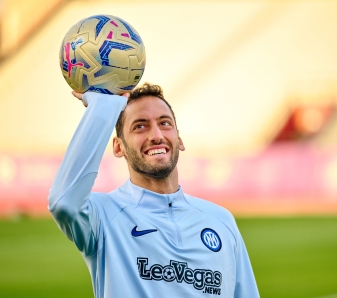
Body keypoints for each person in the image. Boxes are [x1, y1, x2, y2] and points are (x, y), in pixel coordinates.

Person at [48, 83, 260, 297]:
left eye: (164, 123)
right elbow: (64, 202)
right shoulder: (104, 216)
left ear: (179, 139)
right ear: (118, 146)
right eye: (140, 126)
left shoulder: (221, 221)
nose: (156, 135)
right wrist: (102, 109)